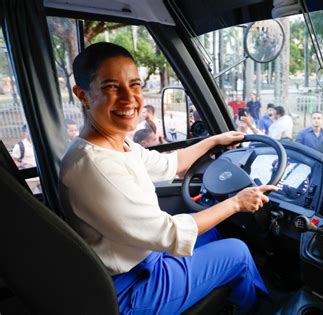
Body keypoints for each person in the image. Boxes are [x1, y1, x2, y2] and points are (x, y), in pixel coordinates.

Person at [59, 42, 276, 314]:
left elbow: (170, 163)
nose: (130, 98)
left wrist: (215, 140)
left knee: (215, 234)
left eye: (134, 85)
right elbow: (170, 233)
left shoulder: (115, 145)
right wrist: (236, 203)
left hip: (139, 259)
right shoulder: (94, 167)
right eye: (112, 87)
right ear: (83, 95)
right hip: (127, 290)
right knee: (238, 253)